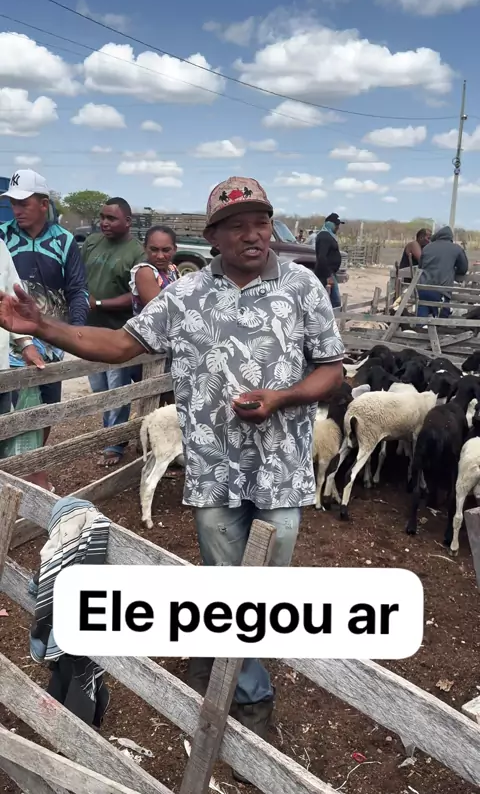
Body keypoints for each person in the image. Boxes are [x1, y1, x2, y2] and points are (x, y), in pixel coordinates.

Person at [0, 175, 345, 779]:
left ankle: (222, 667)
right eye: (237, 225)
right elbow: (119, 345)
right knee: (226, 580)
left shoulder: (302, 286)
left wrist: (284, 397)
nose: (253, 234)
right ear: (214, 236)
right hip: (212, 468)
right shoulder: (185, 295)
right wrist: (44, 328)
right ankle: (247, 695)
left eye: (260, 222)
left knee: (264, 587)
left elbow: (333, 369)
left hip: (281, 470)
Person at [0, 169, 88, 487]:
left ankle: (34, 468)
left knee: (46, 411)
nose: (17, 209)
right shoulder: (3, 237)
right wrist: (22, 341)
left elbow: (77, 289)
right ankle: (11, 477)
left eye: (23, 203)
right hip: (11, 348)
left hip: (51, 344)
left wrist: (76, 335)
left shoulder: (63, 241)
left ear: (43, 203)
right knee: (9, 414)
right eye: (13, 203)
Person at [81, 197, 145, 466]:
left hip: (118, 332)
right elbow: (79, 277)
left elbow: (136, 294)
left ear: (127, 222)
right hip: (89, 329)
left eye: (111, 218)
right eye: (102, 217)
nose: (104, 223)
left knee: (116, 389)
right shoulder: (92, 243)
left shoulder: (136, 253)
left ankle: (114, 444)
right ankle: (110, 434)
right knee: (100, 389)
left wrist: (97, 303)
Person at [0, 239, 44, 458]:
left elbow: (12, 297)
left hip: (0, 366)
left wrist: (26, 344)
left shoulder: (0, 247)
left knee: (2, 428)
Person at [129, 224, 179, 403]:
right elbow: (161, 314)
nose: (160, 256)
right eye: (154, 249)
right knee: (159, 402)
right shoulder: (145, 272)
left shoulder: (172, 270)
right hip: (150, 349)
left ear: (174, 249)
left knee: (172, 401)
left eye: (166, 250)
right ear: (145, 248)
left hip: (168, 349)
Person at [417, 226, 468, 318]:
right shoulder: (456, 249)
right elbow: (463, 269)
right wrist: (452, 271)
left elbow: (420, 266)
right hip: (441, 290)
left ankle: (420, 326)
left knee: (421, 318)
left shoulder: (427, 247)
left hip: (423, 288)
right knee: (441, 320)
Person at [314, 213, 344, 308]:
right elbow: (322, 257)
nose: (338, 227)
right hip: (326, 274)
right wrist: (328, 276)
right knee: (335, 302)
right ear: (330, 224)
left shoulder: (328, 236)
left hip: (329, 273)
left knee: (327, 300)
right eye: (336, 225)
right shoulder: (324, 237)